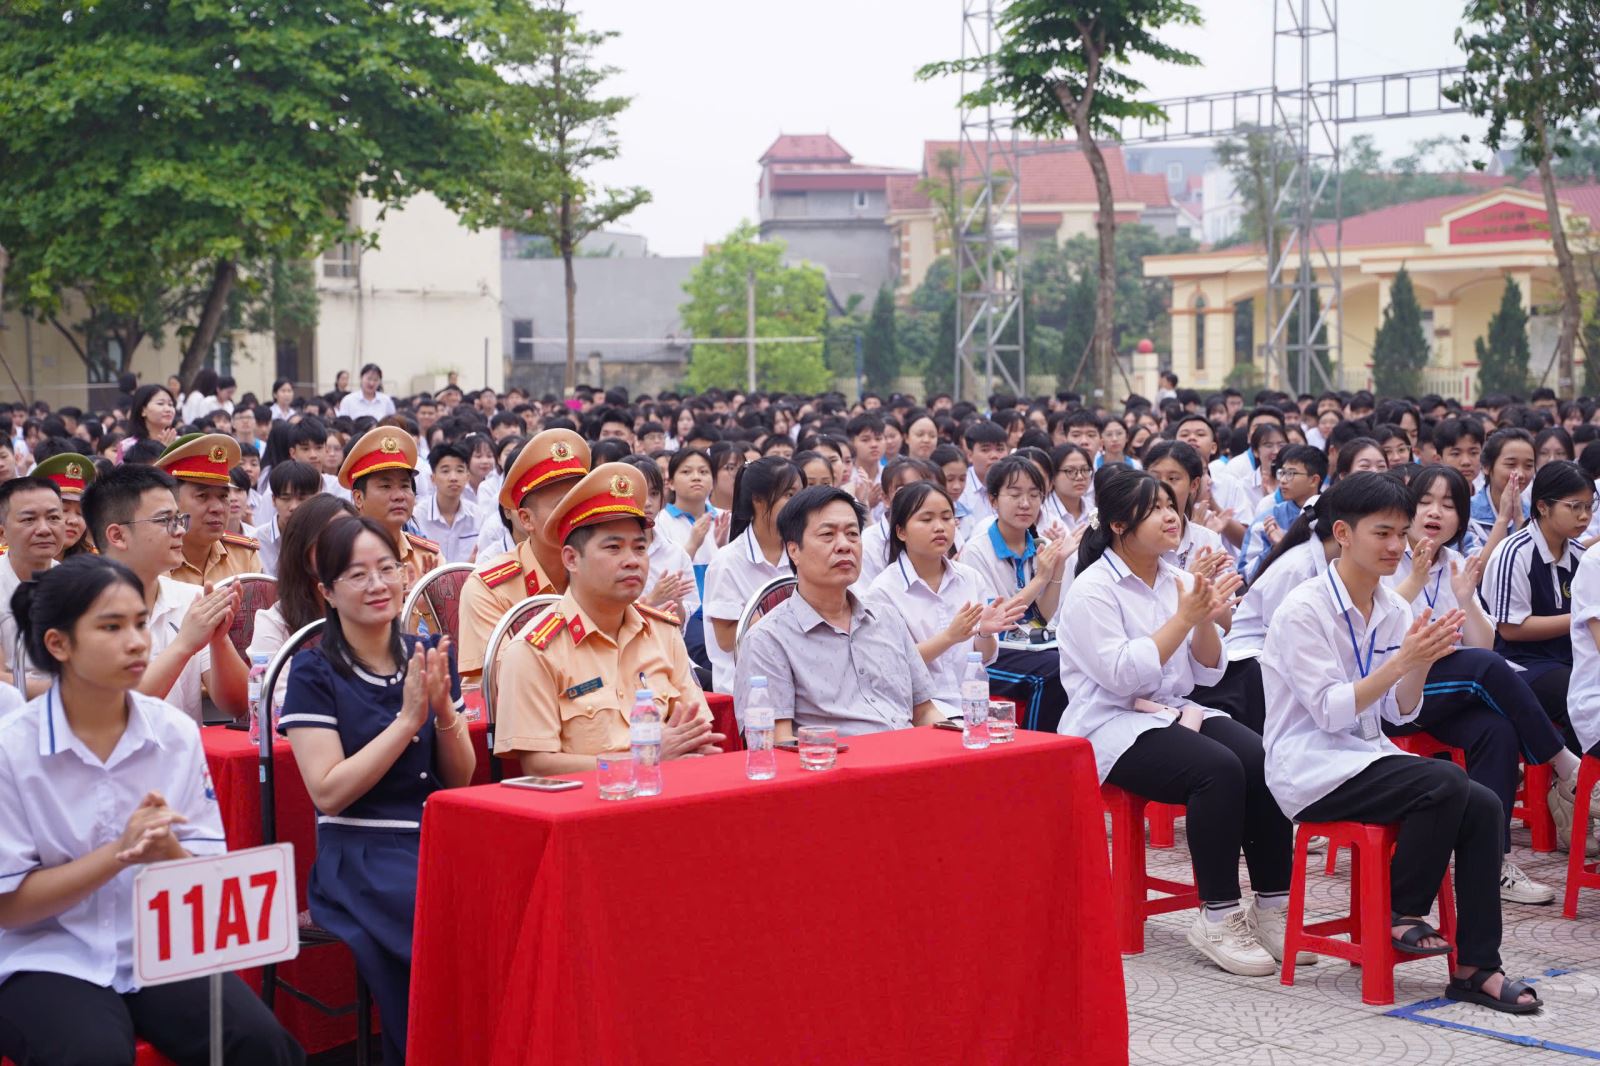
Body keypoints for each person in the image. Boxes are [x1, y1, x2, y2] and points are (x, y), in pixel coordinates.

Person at [0, 556, 305, 1066]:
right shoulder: (14, 748)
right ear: (59, 644)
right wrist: (118, 853)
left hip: (156, 946)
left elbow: (207, 885)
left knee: (262, 1044)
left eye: (141, 623)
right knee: (92, 1054)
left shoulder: (173, 733)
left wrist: (168, 853)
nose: (138, 641)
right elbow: (10, 906)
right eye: (111, 627)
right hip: (45, 957)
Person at [1260, 472, 1542, 1015]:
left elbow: (1398, 712)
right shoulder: (1304, 610)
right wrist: (1402, 663)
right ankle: (1398, 911)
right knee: (1444, 781)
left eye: (1401, 534)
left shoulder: (1392, 606)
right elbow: (1330, 709)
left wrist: (1419, 663)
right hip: (1310, 767)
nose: (1397, 547)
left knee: (1481, 803)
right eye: (1382, 534)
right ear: (1343, 533)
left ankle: (1476, 966)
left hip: (1367, 757)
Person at [1058, 467, 1298, 976]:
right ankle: (1217, 915)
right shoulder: (1091, 590)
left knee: (1260, 756)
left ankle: (1274, 907)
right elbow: (1121, 677)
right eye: (1155, 508)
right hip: (1109, 723)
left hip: (1172, 710)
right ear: (1120, 523)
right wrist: (1186, 617)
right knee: (1218, 769)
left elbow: (1206, 670)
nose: (1171, 516)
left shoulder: (1179, 579)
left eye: (1172, 504)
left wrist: (1206, 617)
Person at [280, 517, 475, 1066]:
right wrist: (407, 718)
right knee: (438, 933)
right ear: (327, 592)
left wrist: (440, 714)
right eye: (357, 575)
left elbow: (458, 778)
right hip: (361, 853)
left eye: (387, 569)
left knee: (500, 905)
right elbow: (327, 792)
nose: (377, 585)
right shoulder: (313, 670)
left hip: (434, 838)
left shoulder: (428, 651)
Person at [1386, 465, 1583, 901]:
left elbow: (1483, 641)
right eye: (1426, 502)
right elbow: (1377, 637)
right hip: (1390, 693)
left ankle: (1490, 863)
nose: (1436, 512)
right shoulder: (1387, 556)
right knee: (1487, 669)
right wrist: (1414, 582)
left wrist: (1462, 598)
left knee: (1498, 730)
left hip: (1446, 689)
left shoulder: (1455, 563)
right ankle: (1565, 766)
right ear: (1407, 508)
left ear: (1460, 517)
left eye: (1449, 504)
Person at [493, 462, 720, 771]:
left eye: (639, 548)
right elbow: (538, 764)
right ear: (572, 558)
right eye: (613, 548)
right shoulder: (533, 650)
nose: (632, 561)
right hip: (588, 808)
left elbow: (697, 733)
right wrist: (640, 761)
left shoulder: (663, 631)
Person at [733, 485, 940, 737]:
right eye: (827, 535)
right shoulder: (768, 639)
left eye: (853, 534)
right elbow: (776, 742)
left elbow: (925, 712)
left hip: (912, 760)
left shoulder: (888, 619)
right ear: (794, 550)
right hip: (835, 768)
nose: (844, 545)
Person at [82, 464, 249, 725]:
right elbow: (116, 711)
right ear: (118, 535)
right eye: (164, 521)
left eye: (179, 519)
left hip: (183, 760)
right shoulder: (79, 609)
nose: (180, 530)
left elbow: (238, 705)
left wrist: (219, 640)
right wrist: (185, 645)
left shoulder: (190, 599)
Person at [866, 482, 1025, 720]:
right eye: (926, 519)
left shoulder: (969, 578)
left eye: (947, 517)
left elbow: (984, 658)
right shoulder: (884, 591)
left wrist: (984, 633)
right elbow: (893, 665)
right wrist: (950, 637)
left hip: (970, 701)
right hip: (917, 709)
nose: (940, 527)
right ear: (901, 531)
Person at [456, 430, 590, 682]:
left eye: (580, 505)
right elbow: (509, 681)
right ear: (526, 518)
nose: (576, 517)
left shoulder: (602, 572)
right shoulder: (488, 588)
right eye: (562, 506)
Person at [1480, 460, 1592, 754]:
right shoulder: (1513, 552)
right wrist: (1579, 617)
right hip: (1518, 663)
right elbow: (1510, 629)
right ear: (1543, 507)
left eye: (1589, 507)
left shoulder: (1581, 555)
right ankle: (1574, 785)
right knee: (1577, 692)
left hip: (1569, 657)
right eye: (1574, 507)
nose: (1584, 516)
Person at [248, 495, 358, 709]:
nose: (341, 549)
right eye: (328, 539)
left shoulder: (372, 609)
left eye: (350, 539)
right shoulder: (274, 622)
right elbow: (279, 703)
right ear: (302, 548)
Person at [702, 457, 801, 695]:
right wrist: (793, 620)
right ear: (758, 500)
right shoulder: (727, 562)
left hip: (799, 683)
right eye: (789, 495)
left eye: (800, 493)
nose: (799, 503)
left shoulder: (803, 551)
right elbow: (726, 639)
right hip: (746, 690)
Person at [336, 426, 441, 593]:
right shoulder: (341, 555)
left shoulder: (429, 557)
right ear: (358, 498)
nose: (399, 496)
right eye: (386, 486)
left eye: (405, 486)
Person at [154, 433, 263, 586]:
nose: (218, 508)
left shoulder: (244, 555)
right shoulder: (152, 561)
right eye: (202, 496)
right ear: (171, 502)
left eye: (223, 496)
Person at [0, 477, 64, 697]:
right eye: (29, 520)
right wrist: (68, 691)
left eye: (54, 517)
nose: (44, 529)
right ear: (2, 532)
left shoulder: (79, 583)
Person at [1467, 428, 1533, 558]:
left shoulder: (1535, 514)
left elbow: (1533, 566)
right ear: (1486, 467)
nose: (1520, 474)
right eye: (1511, 464)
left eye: (1528, 466)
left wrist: (1519, 518)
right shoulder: (1466, 513)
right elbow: (1476, 572)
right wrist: (1503, 519)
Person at [250, 459, 320, 577]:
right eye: (286, 498)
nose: (293, 507)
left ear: (316, 499)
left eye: (302, 498)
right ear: (273, 500)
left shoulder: (326, 538)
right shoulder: (254, 542)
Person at [413, 442, 480, 564]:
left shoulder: (478, 516)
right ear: (432, 478)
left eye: (459, 470)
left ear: (467, 477)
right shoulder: (417, 516)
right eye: (445, 471)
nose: (453, 477)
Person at [31, 453, 95, 560]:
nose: (73, 521)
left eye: (80, 513)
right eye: (64, 510)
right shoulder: (7, 560)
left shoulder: (96, 564)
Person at [120, 385, 178, 460]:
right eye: (160, 403)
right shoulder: (127, 446)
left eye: (171, 404)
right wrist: (162, 450)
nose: (168, 409)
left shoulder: (181, 443)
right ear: (143, 410)